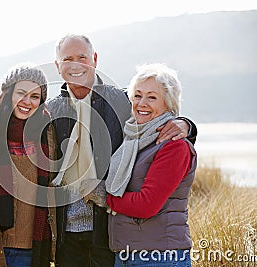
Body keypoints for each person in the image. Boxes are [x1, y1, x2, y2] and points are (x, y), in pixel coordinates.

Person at [46, 34, 197, 267]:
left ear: (94, 59)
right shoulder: (49, 111)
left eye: (82, 57)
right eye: (67, 59)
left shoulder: (123, 100)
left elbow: (157, 114)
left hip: (109, 232)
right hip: (67, 234)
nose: (76, 65)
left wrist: (186, 124)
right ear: (58, 66)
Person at [105, 63, 196, 266]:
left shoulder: (174, 146)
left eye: (152, 97)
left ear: (168, 103)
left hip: (160, 256)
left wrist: (106, 198)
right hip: (127, 254)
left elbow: (147, 205)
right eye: (137, 96)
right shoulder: (133, 140)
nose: (142, 103)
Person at [0, 64, 56, 267]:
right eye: (21, 93)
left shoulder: (48, 134)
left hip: (36, 248)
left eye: (34, 96)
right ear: (9, 93)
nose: (27, 102)